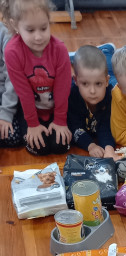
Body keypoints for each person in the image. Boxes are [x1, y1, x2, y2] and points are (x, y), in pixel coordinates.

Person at [2, 0, 72, 155]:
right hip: (30, 109)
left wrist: (60, 121)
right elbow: (24, 93)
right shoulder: (12, 52)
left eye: (44, 28)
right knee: (39, 148)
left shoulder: (59, 49)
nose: (39, 37)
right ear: (15, 26)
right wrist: (32, 124)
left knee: (60, 146)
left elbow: (63, 89)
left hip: (56, 108)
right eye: (30, 30)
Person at [67, 44, 116, 159]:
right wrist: (91, 146)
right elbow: (74, 127)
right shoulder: (71, 95)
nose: (92, 91)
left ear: (106, 81)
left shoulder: (110, 94)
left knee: (118, 73)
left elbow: (106, 126)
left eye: (98, 84)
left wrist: (109, 149)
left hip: (112, 80)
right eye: (85, 84)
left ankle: (106, 49)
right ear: (76, 80)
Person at [0, 20, 22, 147]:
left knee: (12, 137)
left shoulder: (5, 34)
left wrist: (6, 113)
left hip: (5, 97)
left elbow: (12, 79)